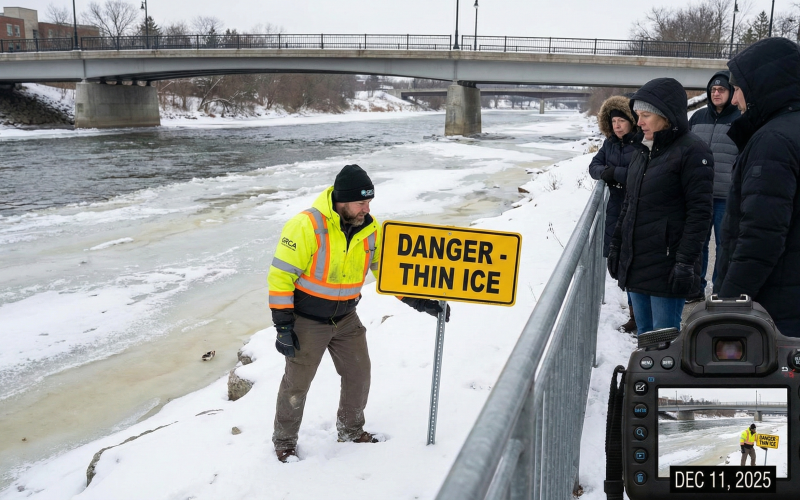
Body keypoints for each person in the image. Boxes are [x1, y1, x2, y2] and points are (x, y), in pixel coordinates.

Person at [267, 164, 450, 463]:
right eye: (361, 202)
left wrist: (422, 302)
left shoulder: (371, 229)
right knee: (296, 384)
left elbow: (388, 274)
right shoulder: (305, 226)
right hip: (308, 321)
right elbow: (280, 277)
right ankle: (284, 442)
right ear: (342, 201)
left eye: (369, 202)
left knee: (358, 374)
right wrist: (283, 326)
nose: (367, 208)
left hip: (346, 318)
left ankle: (351, 430)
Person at [607, 78, 714, 334]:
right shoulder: (643, 151)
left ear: (666, 116)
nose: (639, 122)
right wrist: (616, 245)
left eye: (645, 115)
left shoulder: (693, 152)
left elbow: (700, 215)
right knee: (644, 335)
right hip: (638, 260)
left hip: (668, 264)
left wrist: (686, 263)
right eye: (637, 115)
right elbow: (629, 205)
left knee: (663, 339)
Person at [714, 37, 800, 337]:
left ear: (764, 85)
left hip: (776, 312)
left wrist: (727, 308)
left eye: (738, 89)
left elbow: (760, 238)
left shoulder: (773, 141)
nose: (735, 99)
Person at [687, 71, 741, 303]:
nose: (716, 93)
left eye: (721, 90)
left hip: (726, 196)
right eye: (713, 90)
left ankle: (720, 290)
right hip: (699, 194)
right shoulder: (697, 118)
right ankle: (695, 288)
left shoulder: (741, 118)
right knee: (697, 244)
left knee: (724, 245)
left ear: (730, 93)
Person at [589, 95, 640, 333]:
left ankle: (638, 316)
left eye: (621, 120)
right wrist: (606, 172)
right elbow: (593, 167)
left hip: (637, 206)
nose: (617, 126)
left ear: (631, 121)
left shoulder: (641, 142)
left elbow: (636, 173)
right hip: (615, 209)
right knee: (621, 262)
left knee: (636, 262)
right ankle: (635, 314)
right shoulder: (609, 144)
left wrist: (613, 173)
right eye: (614, 122)